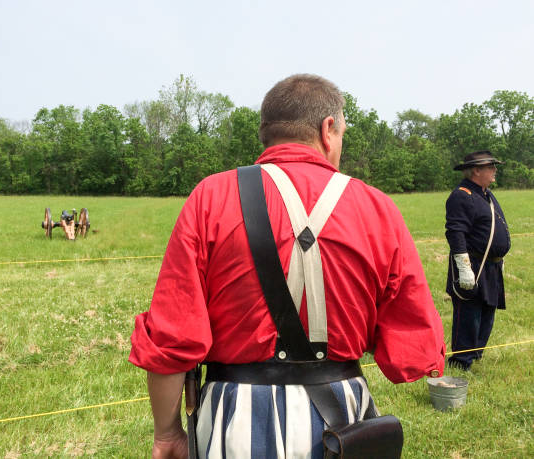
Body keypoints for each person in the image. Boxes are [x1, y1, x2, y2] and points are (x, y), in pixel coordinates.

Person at [129, 74, 445, 458]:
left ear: (266, 133)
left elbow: (171, 336)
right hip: (342, 422)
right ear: (328, 129)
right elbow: (412, 344)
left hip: (233, 419)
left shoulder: (210, 197)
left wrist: (167, 433)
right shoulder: (376, 207)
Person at [445, 150, 511, 371]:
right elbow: (456, 233)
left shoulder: (485, 194)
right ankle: (461, 362)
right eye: (490, 166)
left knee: (486, 313)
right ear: (476, 170)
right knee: (469, 315)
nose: (495, 170)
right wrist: (464, 268)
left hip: (491, 266)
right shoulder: (461, 195)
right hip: (472, 264)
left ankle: (475, 356)